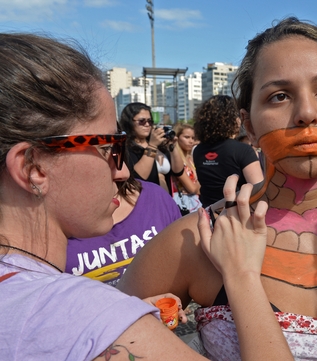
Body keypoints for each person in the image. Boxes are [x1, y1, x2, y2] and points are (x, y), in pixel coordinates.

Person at [118, 17, 317, 360]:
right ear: (249, 125)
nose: (307, 113)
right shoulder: (199, 238)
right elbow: (107, 337)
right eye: (279, 96)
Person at [0, 32, 292, 361]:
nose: (122, 172)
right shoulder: (86, 318)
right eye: (109, 148)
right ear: (33, 168)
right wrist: (242, 277)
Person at [66, 175, 182, 286]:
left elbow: (185, 269)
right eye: (104, 155)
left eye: (119, 155)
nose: (124, 171)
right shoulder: (56, 223)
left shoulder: (156, 197)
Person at [192, 95, 263, 207]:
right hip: (234, 214)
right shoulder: (243, 150)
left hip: (208, 213)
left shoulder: (198, 151)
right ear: (234, 120)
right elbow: (259, 189)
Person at [120, 102, 184, 193]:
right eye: (142, 121)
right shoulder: (126, 147)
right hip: (144, 199)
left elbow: (178, 171)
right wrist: (152, 146)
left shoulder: (158, 143)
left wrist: (172, 146)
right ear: (129, 122)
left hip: (165, 200)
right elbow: (140, 177)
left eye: (150, 121)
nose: (147, 125)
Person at [171, 123, 202, 214]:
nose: (191, 141)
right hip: (182, 204)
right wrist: (197, 187)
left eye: (193, 138)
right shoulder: (177, 160)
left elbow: (197, 188)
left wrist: (196, 188)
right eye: (187, 137)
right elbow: (192, 188)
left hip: (195, 201)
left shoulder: (190, 158)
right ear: (177, 137)